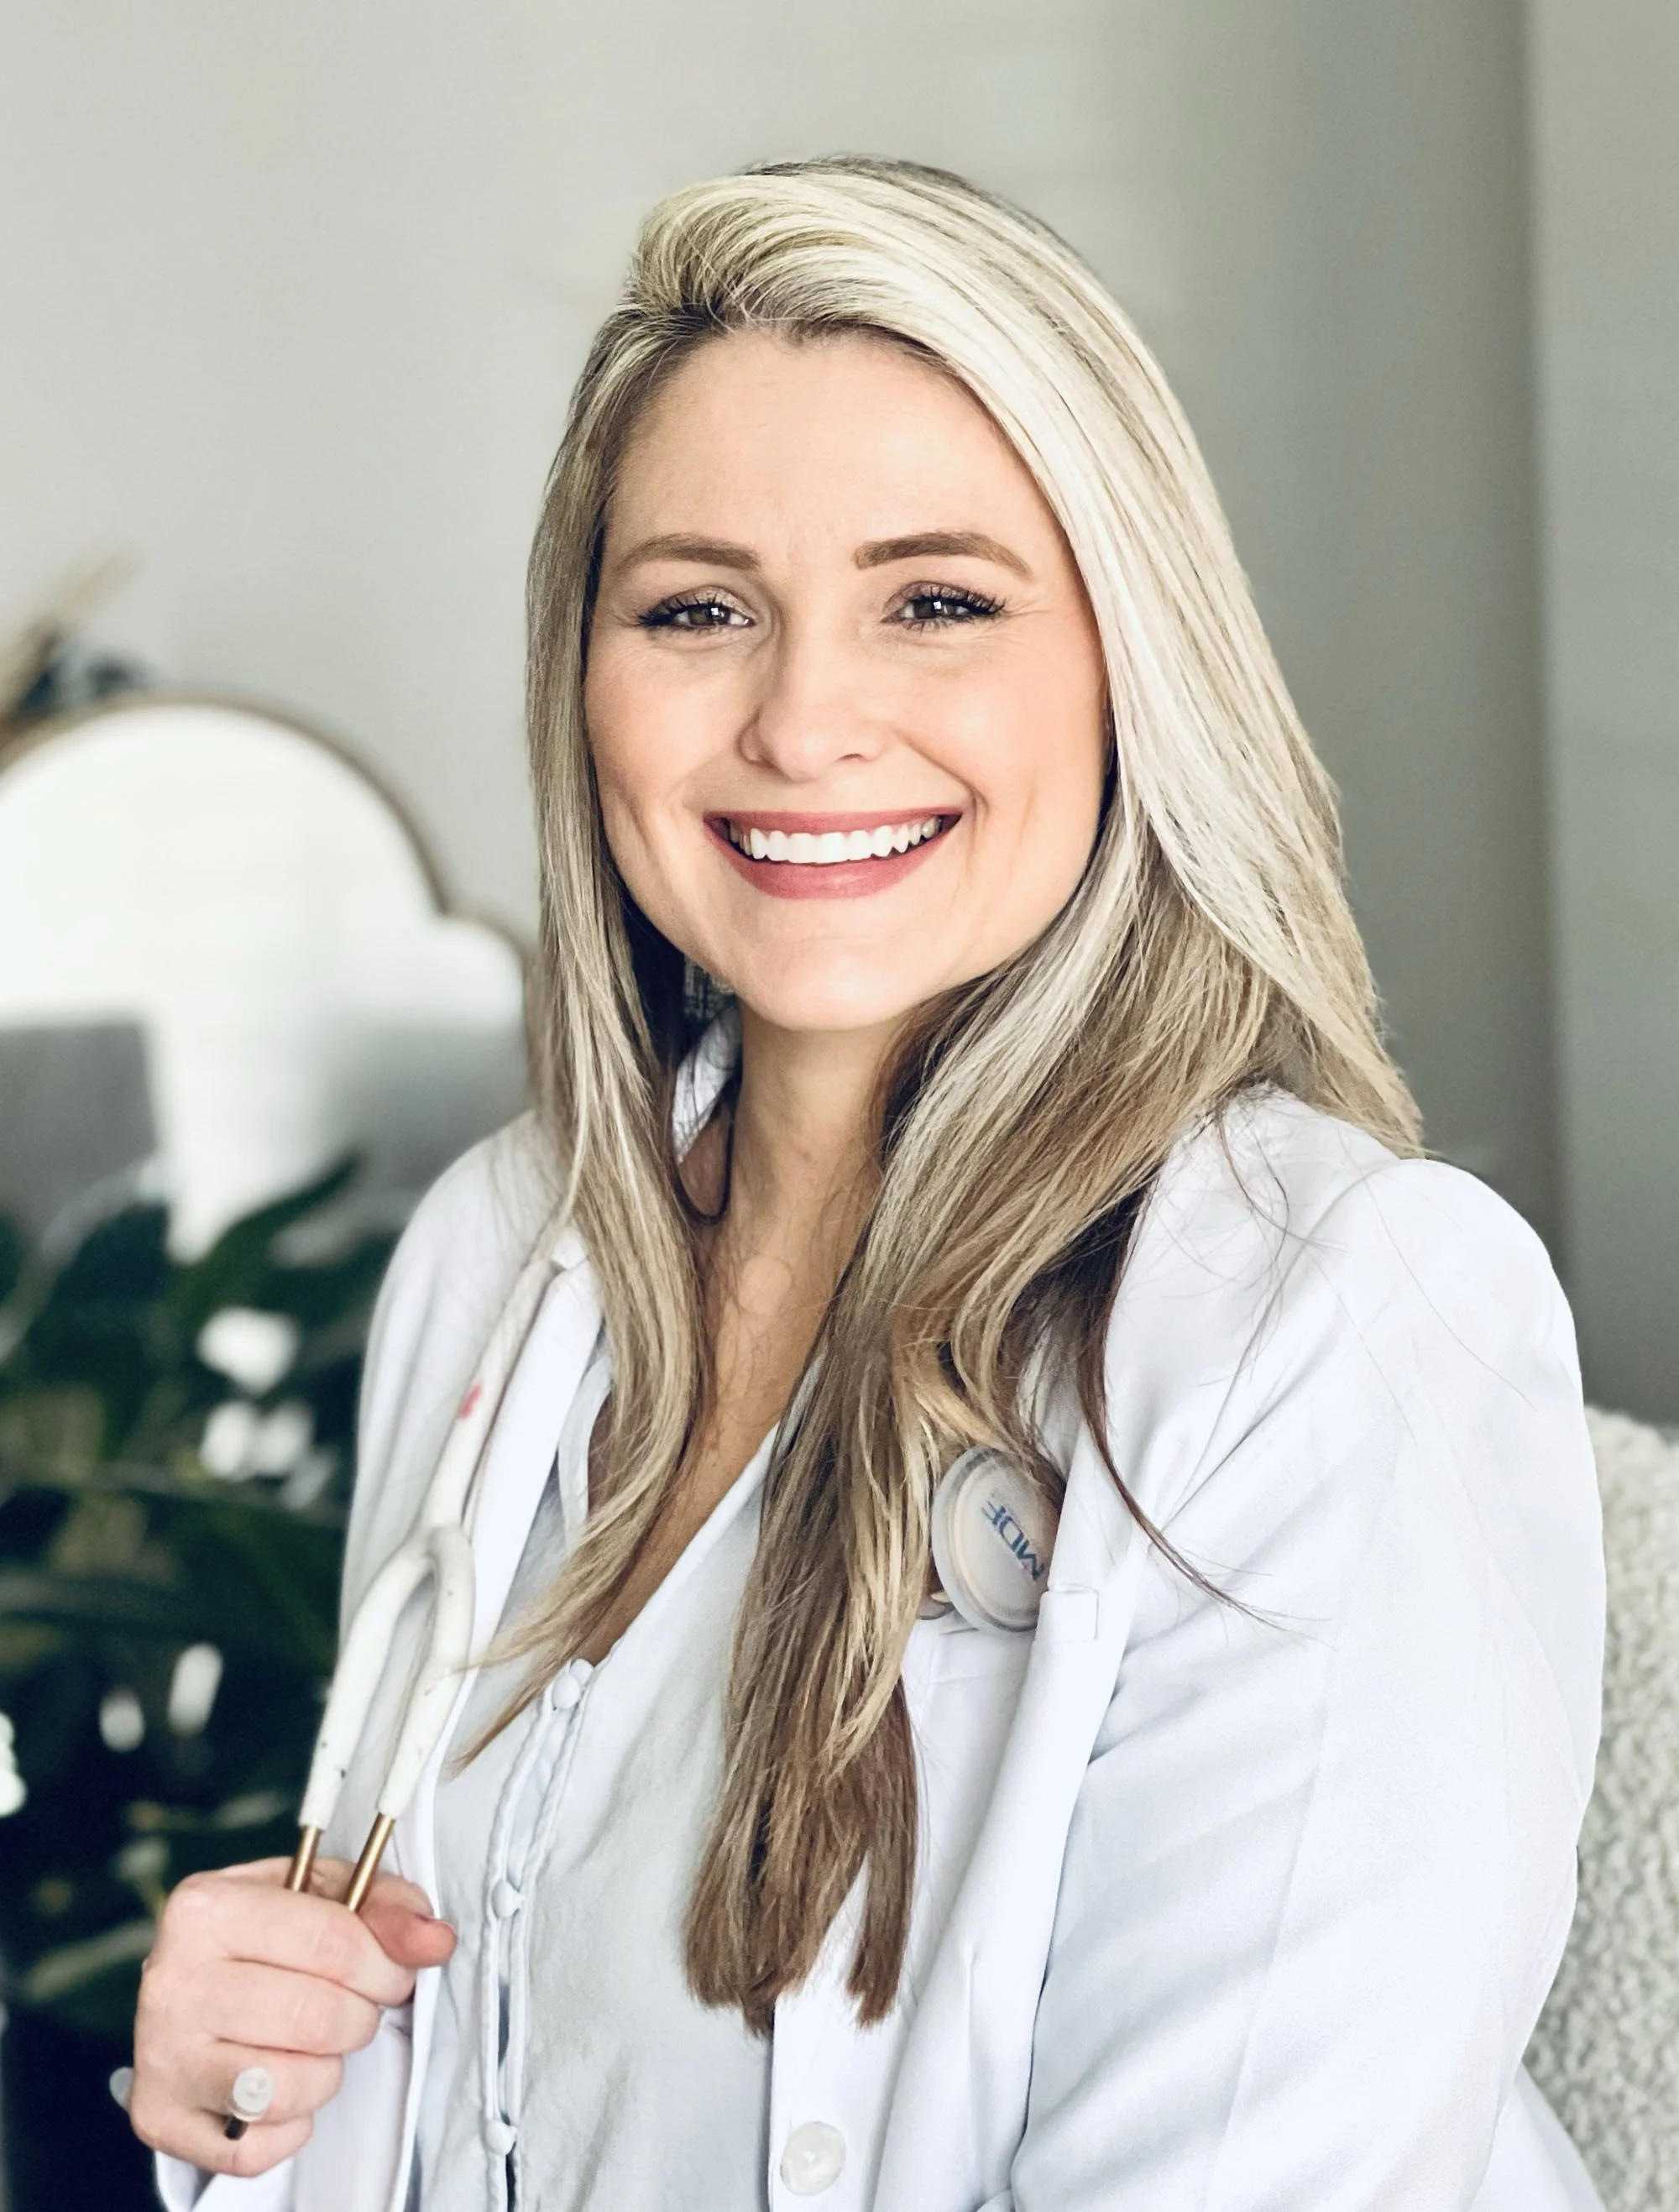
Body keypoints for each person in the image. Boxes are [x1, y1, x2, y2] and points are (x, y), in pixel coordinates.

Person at [128, 156, 1606, 2211]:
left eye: (935, 603)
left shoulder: (1330, 1319)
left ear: (1128, 663)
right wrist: (267, 2090)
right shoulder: (507, 1249)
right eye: (697, 609)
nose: (804, 721)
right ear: (583, 679)